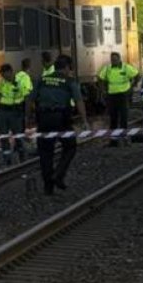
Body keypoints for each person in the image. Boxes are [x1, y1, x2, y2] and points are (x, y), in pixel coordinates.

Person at [30, 55, 89, 195]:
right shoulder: (69, 81)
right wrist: (84, 120)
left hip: (44, 118)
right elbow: (79, 101)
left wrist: (28, 118)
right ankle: (58, 174)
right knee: (70, 146)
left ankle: (48, 188)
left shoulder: (42, 80)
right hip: (61, 118)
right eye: (70, 68)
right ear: (67, 67)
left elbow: (30, 99)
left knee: (45, 153)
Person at [97, 52, 138, 146]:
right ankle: (113, 141)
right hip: (112, 96)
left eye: (115, 59)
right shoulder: (107, 68)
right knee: (113, 118)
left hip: (123, 95)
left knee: (124, 117)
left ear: (119, 59)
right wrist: (103, 90)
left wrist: (132, 86)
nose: (113, 61)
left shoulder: (126, 67)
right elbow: (100, 78)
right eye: (112, 59)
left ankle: (124, 140)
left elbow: (136, 74)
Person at [0, 63, 32, 165]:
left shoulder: (19, 82)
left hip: (16, 112)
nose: (2, 76)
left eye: (3, 73)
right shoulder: (2, 82)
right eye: (1, 74)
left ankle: (22, 157)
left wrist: (27, 114)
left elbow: (27, 97)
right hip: (3, 111)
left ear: (10, 72)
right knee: (4, 136)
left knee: (18, 136)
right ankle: (7, 159)